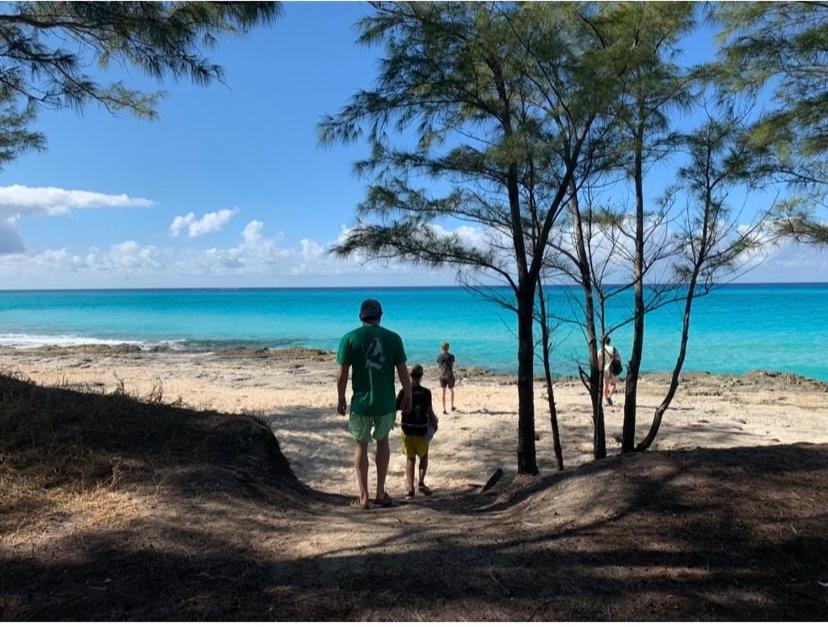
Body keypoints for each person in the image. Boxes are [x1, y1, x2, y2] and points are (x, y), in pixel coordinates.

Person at [336, 299, 411, 510]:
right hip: (386, 402)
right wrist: (409, 396)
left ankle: (363, 497)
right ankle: (380, 493)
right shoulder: (394, 338)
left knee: (361, 444)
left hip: (361, 403)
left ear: (361, 316)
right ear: (380, 316)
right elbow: (403, 372)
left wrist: (341, 398)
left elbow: (341, 375)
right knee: (383, 443)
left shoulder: (349, 339)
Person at [395, 364, 439, 500]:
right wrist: (435, 422)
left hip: (407, 429)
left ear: (410, 375)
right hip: (421, 429)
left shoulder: (403, 391)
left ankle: (410, 489)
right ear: (421, 376)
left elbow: (396, 407)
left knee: (410, 459)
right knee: (424, 456)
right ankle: (420, 482)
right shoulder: (426, 392)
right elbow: (429, 412)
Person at [597, 335, 622, 406]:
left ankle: (605, 400)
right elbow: (619, 359)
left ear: (603, 342)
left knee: (605, 384)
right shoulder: (614, 349)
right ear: (609, 342)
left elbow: (599, 361)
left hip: (604, 369)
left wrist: (600, 370)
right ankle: (609, 396)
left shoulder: (600, 350)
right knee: (613, 385)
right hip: (613, 368)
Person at [435, 341, 456, 414]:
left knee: (443, 393)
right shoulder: (452, 356)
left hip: (442, 376)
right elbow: (451, 366)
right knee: (452, 391)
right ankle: (452, 406)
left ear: (441, 348)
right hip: (450, 376)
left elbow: (439, 367)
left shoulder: (439, 357)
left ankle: (444, 409)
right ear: (448, 348)